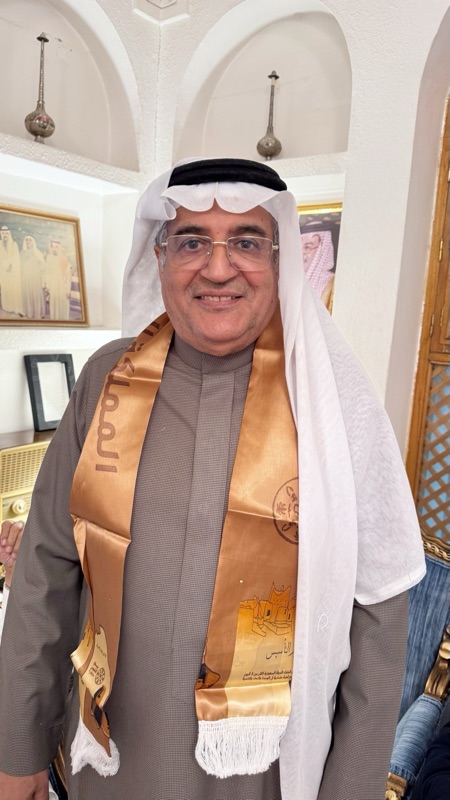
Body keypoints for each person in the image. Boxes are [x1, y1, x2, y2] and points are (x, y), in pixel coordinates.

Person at [0, 158, 426, 800]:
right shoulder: (106, 382)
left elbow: (379, 619)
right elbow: (46, 570)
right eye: (193, 241)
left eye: (247, 242)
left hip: (263, 777)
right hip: (112, 764)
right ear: (161, 257)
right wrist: (18, 750)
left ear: (280, 260)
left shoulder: (334, 401)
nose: (219, 268)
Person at [301, 229, 335, 310]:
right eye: (298, 247)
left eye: (307, 247)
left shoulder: (330, 282)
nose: (301, 253)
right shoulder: (291, 279)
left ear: (321, 250)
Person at [44, 240, 72, 320]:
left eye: (56, 247)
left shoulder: (64, 259)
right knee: (54, 303)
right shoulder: (49, 259)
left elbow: (68, 275)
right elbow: (47, 273)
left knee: (62, 303)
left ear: (59, 248)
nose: (54, 249)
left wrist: (68, 289)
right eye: (52, 247)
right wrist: (47, 285)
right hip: (53, 286)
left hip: (62, 286)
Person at [21, 235, 46, 319]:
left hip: (35, 278)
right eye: (26, 240)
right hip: (25, 278)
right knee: (27, 295)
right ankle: (28, 312)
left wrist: (43, 280)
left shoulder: (38, 252)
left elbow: (43, 267)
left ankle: (38, 313)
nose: (28, 242)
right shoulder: (22, 253)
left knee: (36, 295)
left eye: (30, 240)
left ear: (33, 242)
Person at [0, 225, 23, 317]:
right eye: (3, 233)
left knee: (14, 289)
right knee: (5, 289)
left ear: (9, 234)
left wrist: (11, 266)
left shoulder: (14, 244)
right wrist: (5, 266)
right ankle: (7, 307)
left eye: (6, 233)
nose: (5, 235)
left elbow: (16, 258)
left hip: (13, 271)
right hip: (3, 272)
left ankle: (15, 307)